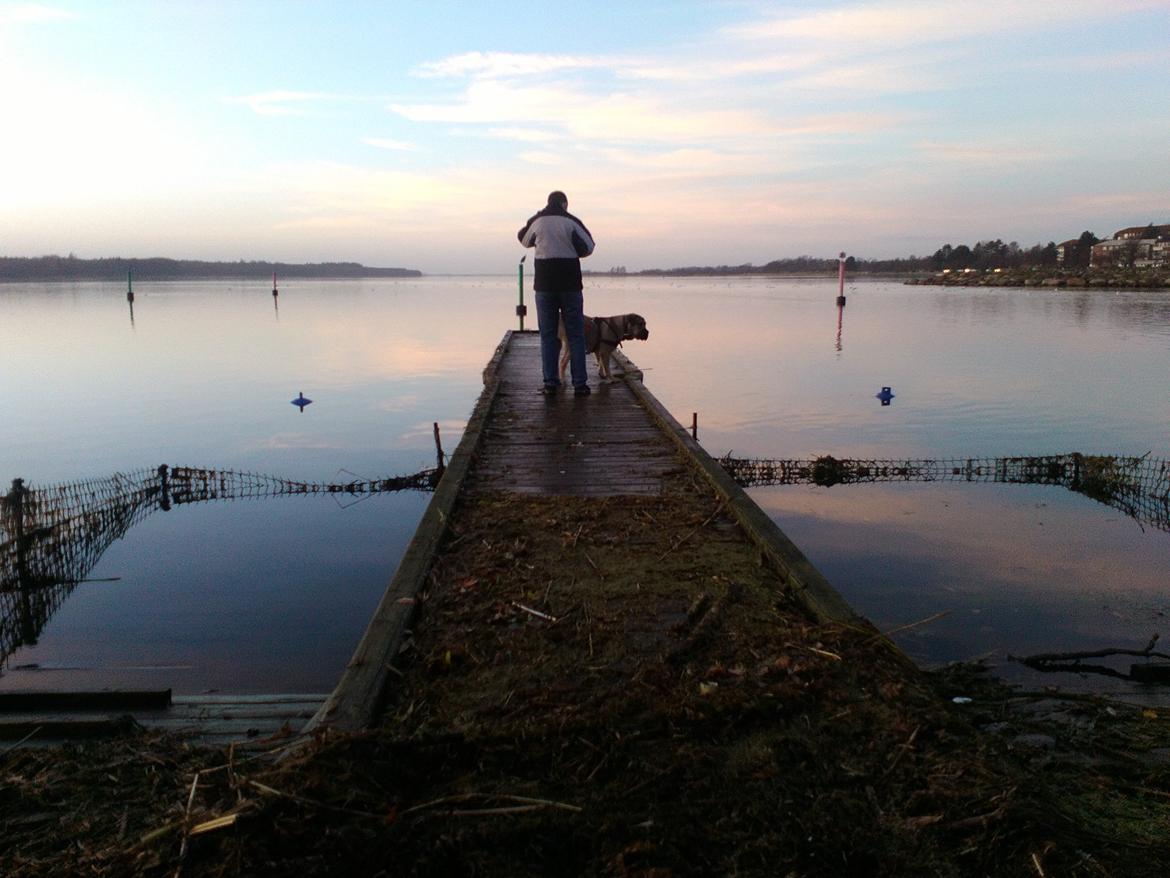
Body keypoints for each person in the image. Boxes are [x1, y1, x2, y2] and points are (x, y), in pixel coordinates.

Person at [517, 190, 595, 396]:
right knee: (576, 335)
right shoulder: (571, 221)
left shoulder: (538, 220)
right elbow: (589, 246)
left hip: (545, 285)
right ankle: (580, 384)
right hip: (570, 285)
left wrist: (535, 220)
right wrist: (574, 250)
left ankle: (551, 382)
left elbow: (524, 240)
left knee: (548, 335)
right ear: (565, 204)